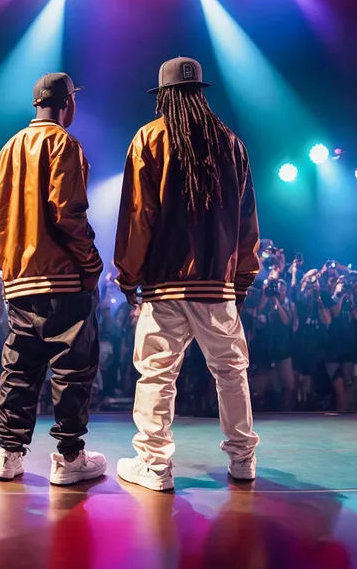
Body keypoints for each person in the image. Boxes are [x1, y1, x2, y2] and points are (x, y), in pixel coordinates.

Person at [114, 57, 261, 491]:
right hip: (217, 283)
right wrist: (243, 276)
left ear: (162, 96)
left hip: (164, 284)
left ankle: (155, 467)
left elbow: (138, 214)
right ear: (200, 93)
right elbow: (247, 216)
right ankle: (243, 459)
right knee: (231, 371)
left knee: (157, 374)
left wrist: (128, 275)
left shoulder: (150, 138)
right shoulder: (230, 142)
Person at [0, 72, 107, 485]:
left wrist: (9, 272)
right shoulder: (64, 144)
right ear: (67, 103)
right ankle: (70, 457)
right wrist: (91, 265)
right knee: (72, 371)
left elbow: (1, 221)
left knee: (20, 368)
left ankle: (8, 453)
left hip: (20, 279)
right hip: (62, 279)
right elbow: (68, 214)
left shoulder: (9, 148)